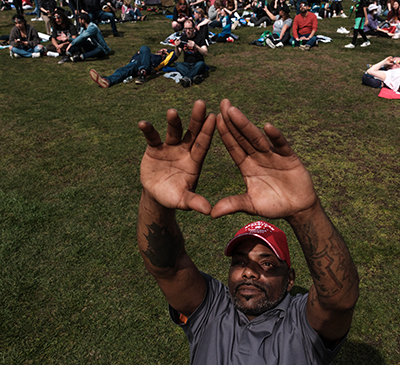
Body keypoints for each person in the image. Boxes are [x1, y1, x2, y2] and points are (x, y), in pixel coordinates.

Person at [136, 99, 360, 364]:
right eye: (240, 262)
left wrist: (305, 212)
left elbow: (338, 300)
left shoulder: (302, 322)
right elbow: (168, 267)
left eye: (267, 263)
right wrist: (155, 200)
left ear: (290, 280)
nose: (249, 272)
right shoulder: (211, 308)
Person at [89, 46, 176, 87]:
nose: (160, 51)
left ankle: (109, 80)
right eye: (160, 50)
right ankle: (108, 81)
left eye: (162, 51)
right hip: (135, 65)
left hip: (148, 66)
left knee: (145, 48)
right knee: (124, 69)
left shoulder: (161, 59)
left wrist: (166, 51)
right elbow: (132, 60)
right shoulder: (147, 54)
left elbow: (174, 54)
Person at [174, 18, 208, 87]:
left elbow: (205, 53)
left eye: (189, 29)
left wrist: (196, 46)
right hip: (187, 64)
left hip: (197, 64)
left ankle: (187, 78)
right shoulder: (183, 38)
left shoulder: (200, 38)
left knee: (201, 64)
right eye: (186, 29)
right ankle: (194, 76)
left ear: (194, 29)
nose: (188, 31)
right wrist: (176, 47)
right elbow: (177, 54)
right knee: (177, 64)